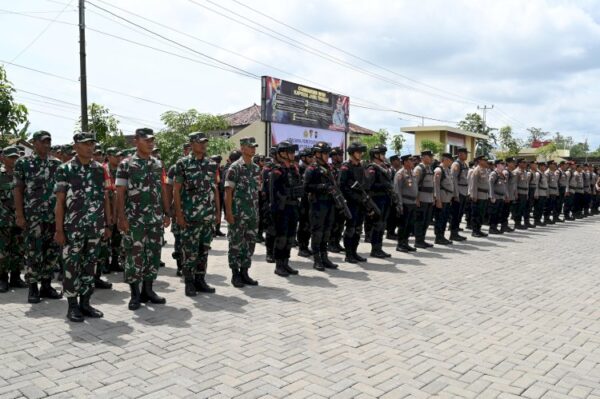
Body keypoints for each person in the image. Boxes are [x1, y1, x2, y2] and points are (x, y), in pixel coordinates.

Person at [54, 132, 112, 322]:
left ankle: (86, 303)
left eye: (92, 144)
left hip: (94, 228)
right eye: (86, 144)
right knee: (71, 267)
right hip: (73, 229)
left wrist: (107, 224)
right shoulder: (65, 169)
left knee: (90, 267)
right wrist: (59, 230)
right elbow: (60, 202)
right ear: (76, 146)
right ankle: (72, 306)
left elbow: (105, 198)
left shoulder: (99, 169)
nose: (90, 147)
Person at [116, 128, 171, 310]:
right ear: (135, 141)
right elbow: (120, 192)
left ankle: (148, 290)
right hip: (134, 219)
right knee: (134, 255)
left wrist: (166, 212)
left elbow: (162, 189)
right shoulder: (126, 164)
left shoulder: (157, 164)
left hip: (154, 218)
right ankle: (135, 294)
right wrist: (121, 217)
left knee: (153, 254)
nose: (150, 143)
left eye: (152, 140)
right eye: (146, 140)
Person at [14, 131, 63, 303]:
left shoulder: (57, 164)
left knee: (52, 251)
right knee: (33, 252)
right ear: (34, 143)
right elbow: (18, 190)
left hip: (52, 216)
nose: (47, 145)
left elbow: (61, 192)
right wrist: (19, 214)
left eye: (49, 141)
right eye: (43, 142)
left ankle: (47, 286)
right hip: (32, 216)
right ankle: (33, 288)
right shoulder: (23, 163)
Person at [173, 132, 220, 297]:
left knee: (204, 250)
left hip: (207, 216)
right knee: (189, 251)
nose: (203, 145)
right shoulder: (182, 164)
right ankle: (189, 283)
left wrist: (217, 213)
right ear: (191, 144)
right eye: (200, 142)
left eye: (204, 143)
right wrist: (178, 215)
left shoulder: (212, 164)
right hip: (189, 217)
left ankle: (201, 280)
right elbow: (176, 191)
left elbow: (215, 189)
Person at [224, 137, 261, 287]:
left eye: (254, 146)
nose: (253, 149)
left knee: (250, 244)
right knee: (235, 244)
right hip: (238, 214)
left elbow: (257, 192)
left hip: (252, 214)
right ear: (242, 148)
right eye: (250, 146)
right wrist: (228, 213)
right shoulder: (235, 167)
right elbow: (228, 192)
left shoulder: (256, 168)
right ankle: (235, 275)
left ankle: (245, 272)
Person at [303, 142, 339, 271]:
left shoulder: (329, 168)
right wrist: (322, 187)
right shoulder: (311, 169)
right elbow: (306, 187)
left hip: (329, 204)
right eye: (324, 153)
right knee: (317, 233)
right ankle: (317, 259)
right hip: (317, 205)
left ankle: (325, 257)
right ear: (317, 154)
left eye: (327, 153)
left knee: (327, 232)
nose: (327, 156)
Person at [269, 141, 303, 276]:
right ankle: (278, 265)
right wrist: (275, 213)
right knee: (281, 238)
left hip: (293, 207)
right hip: (282, 210)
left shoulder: (293, 169)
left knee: (290, 237)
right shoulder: (277, 171)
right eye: (290, 152)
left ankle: (286, 263)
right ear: (282, 153)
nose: (293, 154)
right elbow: (273, 195)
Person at [0, 146, 27, 293]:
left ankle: (16, 277)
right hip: (3, 219)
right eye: (11, 157)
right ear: (3, 158)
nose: (14, 160)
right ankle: (2, 278)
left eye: (16, 157)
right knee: (2, 251)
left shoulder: (22, 175)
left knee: (19, 250)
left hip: (19, 218)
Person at [340, 142, 369, 263]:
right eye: (358, 152)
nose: (360, 154)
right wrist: (354, 197)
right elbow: (343, 186)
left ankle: (354, 252)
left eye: (361, 152)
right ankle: (348, 254)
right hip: (351, 203)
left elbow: (364, 183)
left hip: (360, 202)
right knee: (350, 228)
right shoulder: (346, 167)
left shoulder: (360, 166)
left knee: (358, 228)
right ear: (352, 153)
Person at [365, 145, 393, 258]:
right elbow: (369, 185)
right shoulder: (372, 168)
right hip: (377, 199)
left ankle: (379, 247)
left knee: (382, 224)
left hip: (385, 198)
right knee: (377, 225)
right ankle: (375, 249)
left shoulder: (384, 167)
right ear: (376, 155)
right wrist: (383, 185)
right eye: (382, 153)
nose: (384, 156)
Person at [394, 155, 418, 251]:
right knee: (403, 225)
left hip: (412, 202)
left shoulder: (412, 173)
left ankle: (406, 242)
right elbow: (397, 190)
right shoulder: (400, 174)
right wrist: (399, 204)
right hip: (405, 202)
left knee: (410, 224)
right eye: (411, 160)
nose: (413, 162)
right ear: (405, 162)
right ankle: (400, 244)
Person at [413, 150, 435, 248]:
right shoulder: (419, 168)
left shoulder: (429, 168)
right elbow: (415, 185)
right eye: (430, 156)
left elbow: (432, 184)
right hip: (421, 198)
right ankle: (418, 241)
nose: (432, 158)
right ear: (424, 157)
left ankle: (422, 239)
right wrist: (416, 199)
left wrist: (433, 197)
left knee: (426, 221)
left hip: (429, 199)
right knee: (420, 221)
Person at [433, 153, 455, 244]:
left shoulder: (447, 170)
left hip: (446, 199)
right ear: (445, 160)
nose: (451, 162)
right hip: (441, 199)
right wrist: (438, 200)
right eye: (450, 160)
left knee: (444, 218)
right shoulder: (439, 170)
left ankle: (442, 236)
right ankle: (438, 237)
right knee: (440, 219)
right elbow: (436, 186)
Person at [297, 148, 314, 257]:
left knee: (309, 225)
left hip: (310, 201)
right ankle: (302, 247)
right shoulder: (299, 169)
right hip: (302, 201)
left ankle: (305, 246)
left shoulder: (311, 169)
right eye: (310, 157)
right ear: (303, 158)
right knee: (304, 225)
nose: (312, 159)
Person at [328, 147, 346, 253]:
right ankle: (331, 243)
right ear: (333, 157)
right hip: (333, 200)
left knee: (340, 223)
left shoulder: (342, 168)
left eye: (341, 154)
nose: (340, 157)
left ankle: (337, 242)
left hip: (342, 199)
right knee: (333, 223)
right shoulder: (330, 168)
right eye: (338, 155)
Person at [450, 148, 469, 241]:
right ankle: (453, 234)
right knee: (456, 214)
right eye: (465, 153)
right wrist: (456, 194)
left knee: (460, 213)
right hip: (459, 192)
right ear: (460, 154)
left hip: (464, 191)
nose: (467, 155)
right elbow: (453, 180)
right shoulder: (456, 164)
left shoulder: (464, 164)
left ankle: (456, 232)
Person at [468, 155, 490, 237]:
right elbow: (473, 184)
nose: (486, 161)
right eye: (484, 160)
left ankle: (479, 229)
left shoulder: (485, 170)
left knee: (481, 214)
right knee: (476, 214)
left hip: (484, 195)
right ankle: (475, 231)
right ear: (479, 161)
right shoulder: (476, 170)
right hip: (478, 195)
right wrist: (474, 195)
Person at [488, 160, 508, 234]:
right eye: (502, 164)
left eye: (504, 164)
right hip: (495, 196)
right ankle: (492, 228)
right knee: (494, 213)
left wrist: (506, 195)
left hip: (501, 197)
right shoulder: (494, 173)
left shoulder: (502, 174)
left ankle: (495, 227)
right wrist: (491, 196)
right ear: (497, 165)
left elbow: (504, 186)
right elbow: (490, 185)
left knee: (498, 213)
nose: (504, 165)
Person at [502, 158, 517, 233]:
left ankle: (505, 225)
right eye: (512, 162)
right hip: (507, 196)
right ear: (508, 163)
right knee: (505, 211)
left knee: (507, 211)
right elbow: (505, 185)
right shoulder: (506, 172)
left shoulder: (511, 172)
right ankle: (504, 226)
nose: (514, 164)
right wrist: (506, 195)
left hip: (511, 195)